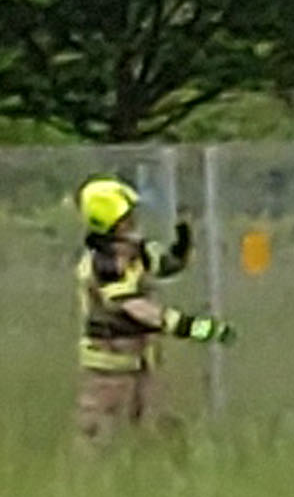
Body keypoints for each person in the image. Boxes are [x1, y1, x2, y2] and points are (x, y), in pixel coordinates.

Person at [73, 177, 229, 444]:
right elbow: (135, 307)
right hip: (109, 365)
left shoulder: (135, 252)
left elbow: (165, 265)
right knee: (96, 434)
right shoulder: (104, 266)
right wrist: (189, 326)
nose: (134, 221)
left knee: (160, 425)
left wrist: (182, 247)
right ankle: (86, 483)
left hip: (142, 360)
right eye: (128, 216)